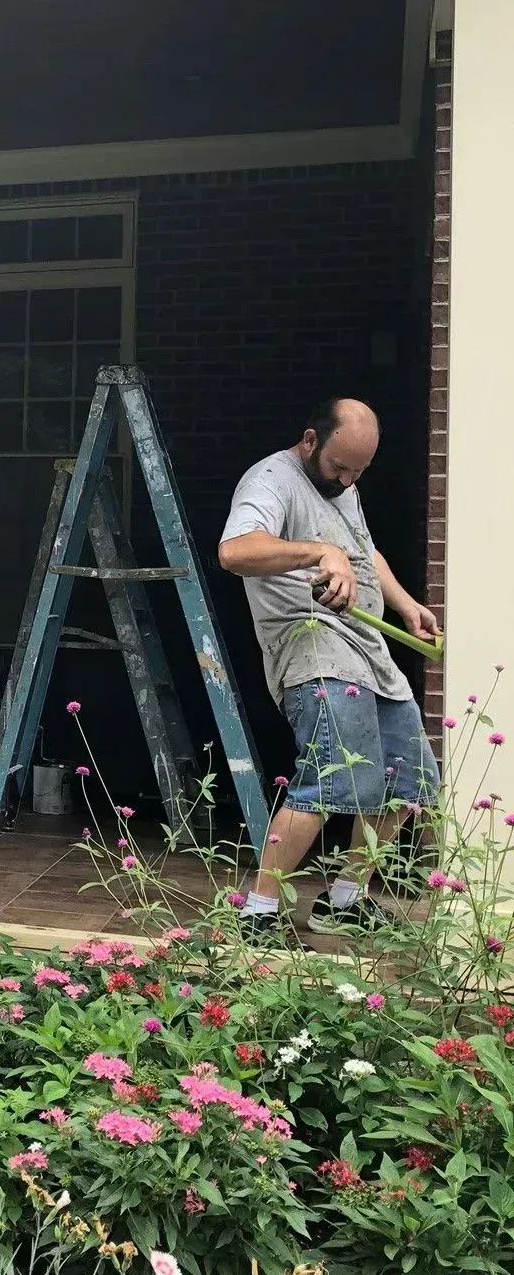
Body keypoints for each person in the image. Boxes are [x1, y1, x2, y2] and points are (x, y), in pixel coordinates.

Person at [217, 397, 440, 935]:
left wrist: (406, 603)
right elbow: (235, 551)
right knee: (326, 781)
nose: (347, 479)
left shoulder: (344, 488)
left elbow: (363, 552)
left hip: (369, 650)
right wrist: (318, 552)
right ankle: (261, 910)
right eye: (340, 466)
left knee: (408, 784)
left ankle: (345, 899)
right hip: (314, 644)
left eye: (359, 471)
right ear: (311, 439)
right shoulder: (271, 479)